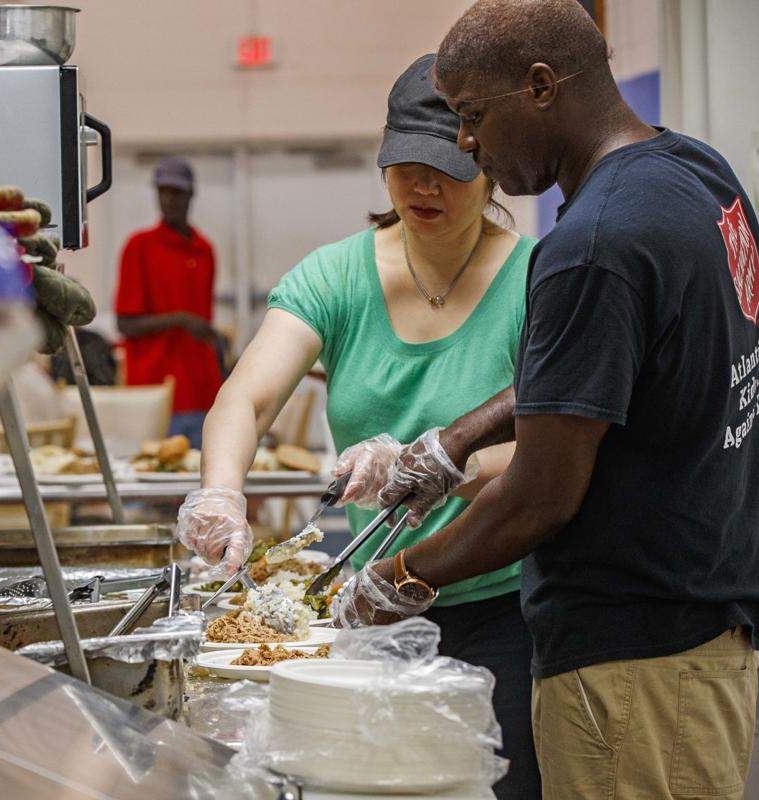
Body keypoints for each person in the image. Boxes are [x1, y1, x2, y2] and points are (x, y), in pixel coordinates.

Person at [332, 2, 759, 798]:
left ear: (540, 87)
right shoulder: (692, 172)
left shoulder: (593, 244)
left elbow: (539, 498)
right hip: (702, 620)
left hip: (634, 660)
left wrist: (392, 580)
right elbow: (608, 367)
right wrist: (457, 439)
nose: (466, 143)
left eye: (472, 117)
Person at [177, 55, 541, 799]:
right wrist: (219, 493)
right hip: (365, 610)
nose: (421, 186)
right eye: (403, 163)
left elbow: (552, 447)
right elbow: (244, 400)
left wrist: (441, 467)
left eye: (445, 166)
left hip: (503, 606)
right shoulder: (336, 277)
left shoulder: (540, 278)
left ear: (490, 164)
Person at [115, 158, 222, 448]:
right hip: (154, 392)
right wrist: (180, 319)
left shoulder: (205, 251)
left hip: (202, 389)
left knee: (204, 486)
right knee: (150, 487)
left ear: (190, 195)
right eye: (163, 191)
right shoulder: (138, 247)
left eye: (176, 192)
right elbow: (125, 324)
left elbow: (204, 321)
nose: (169, 199)